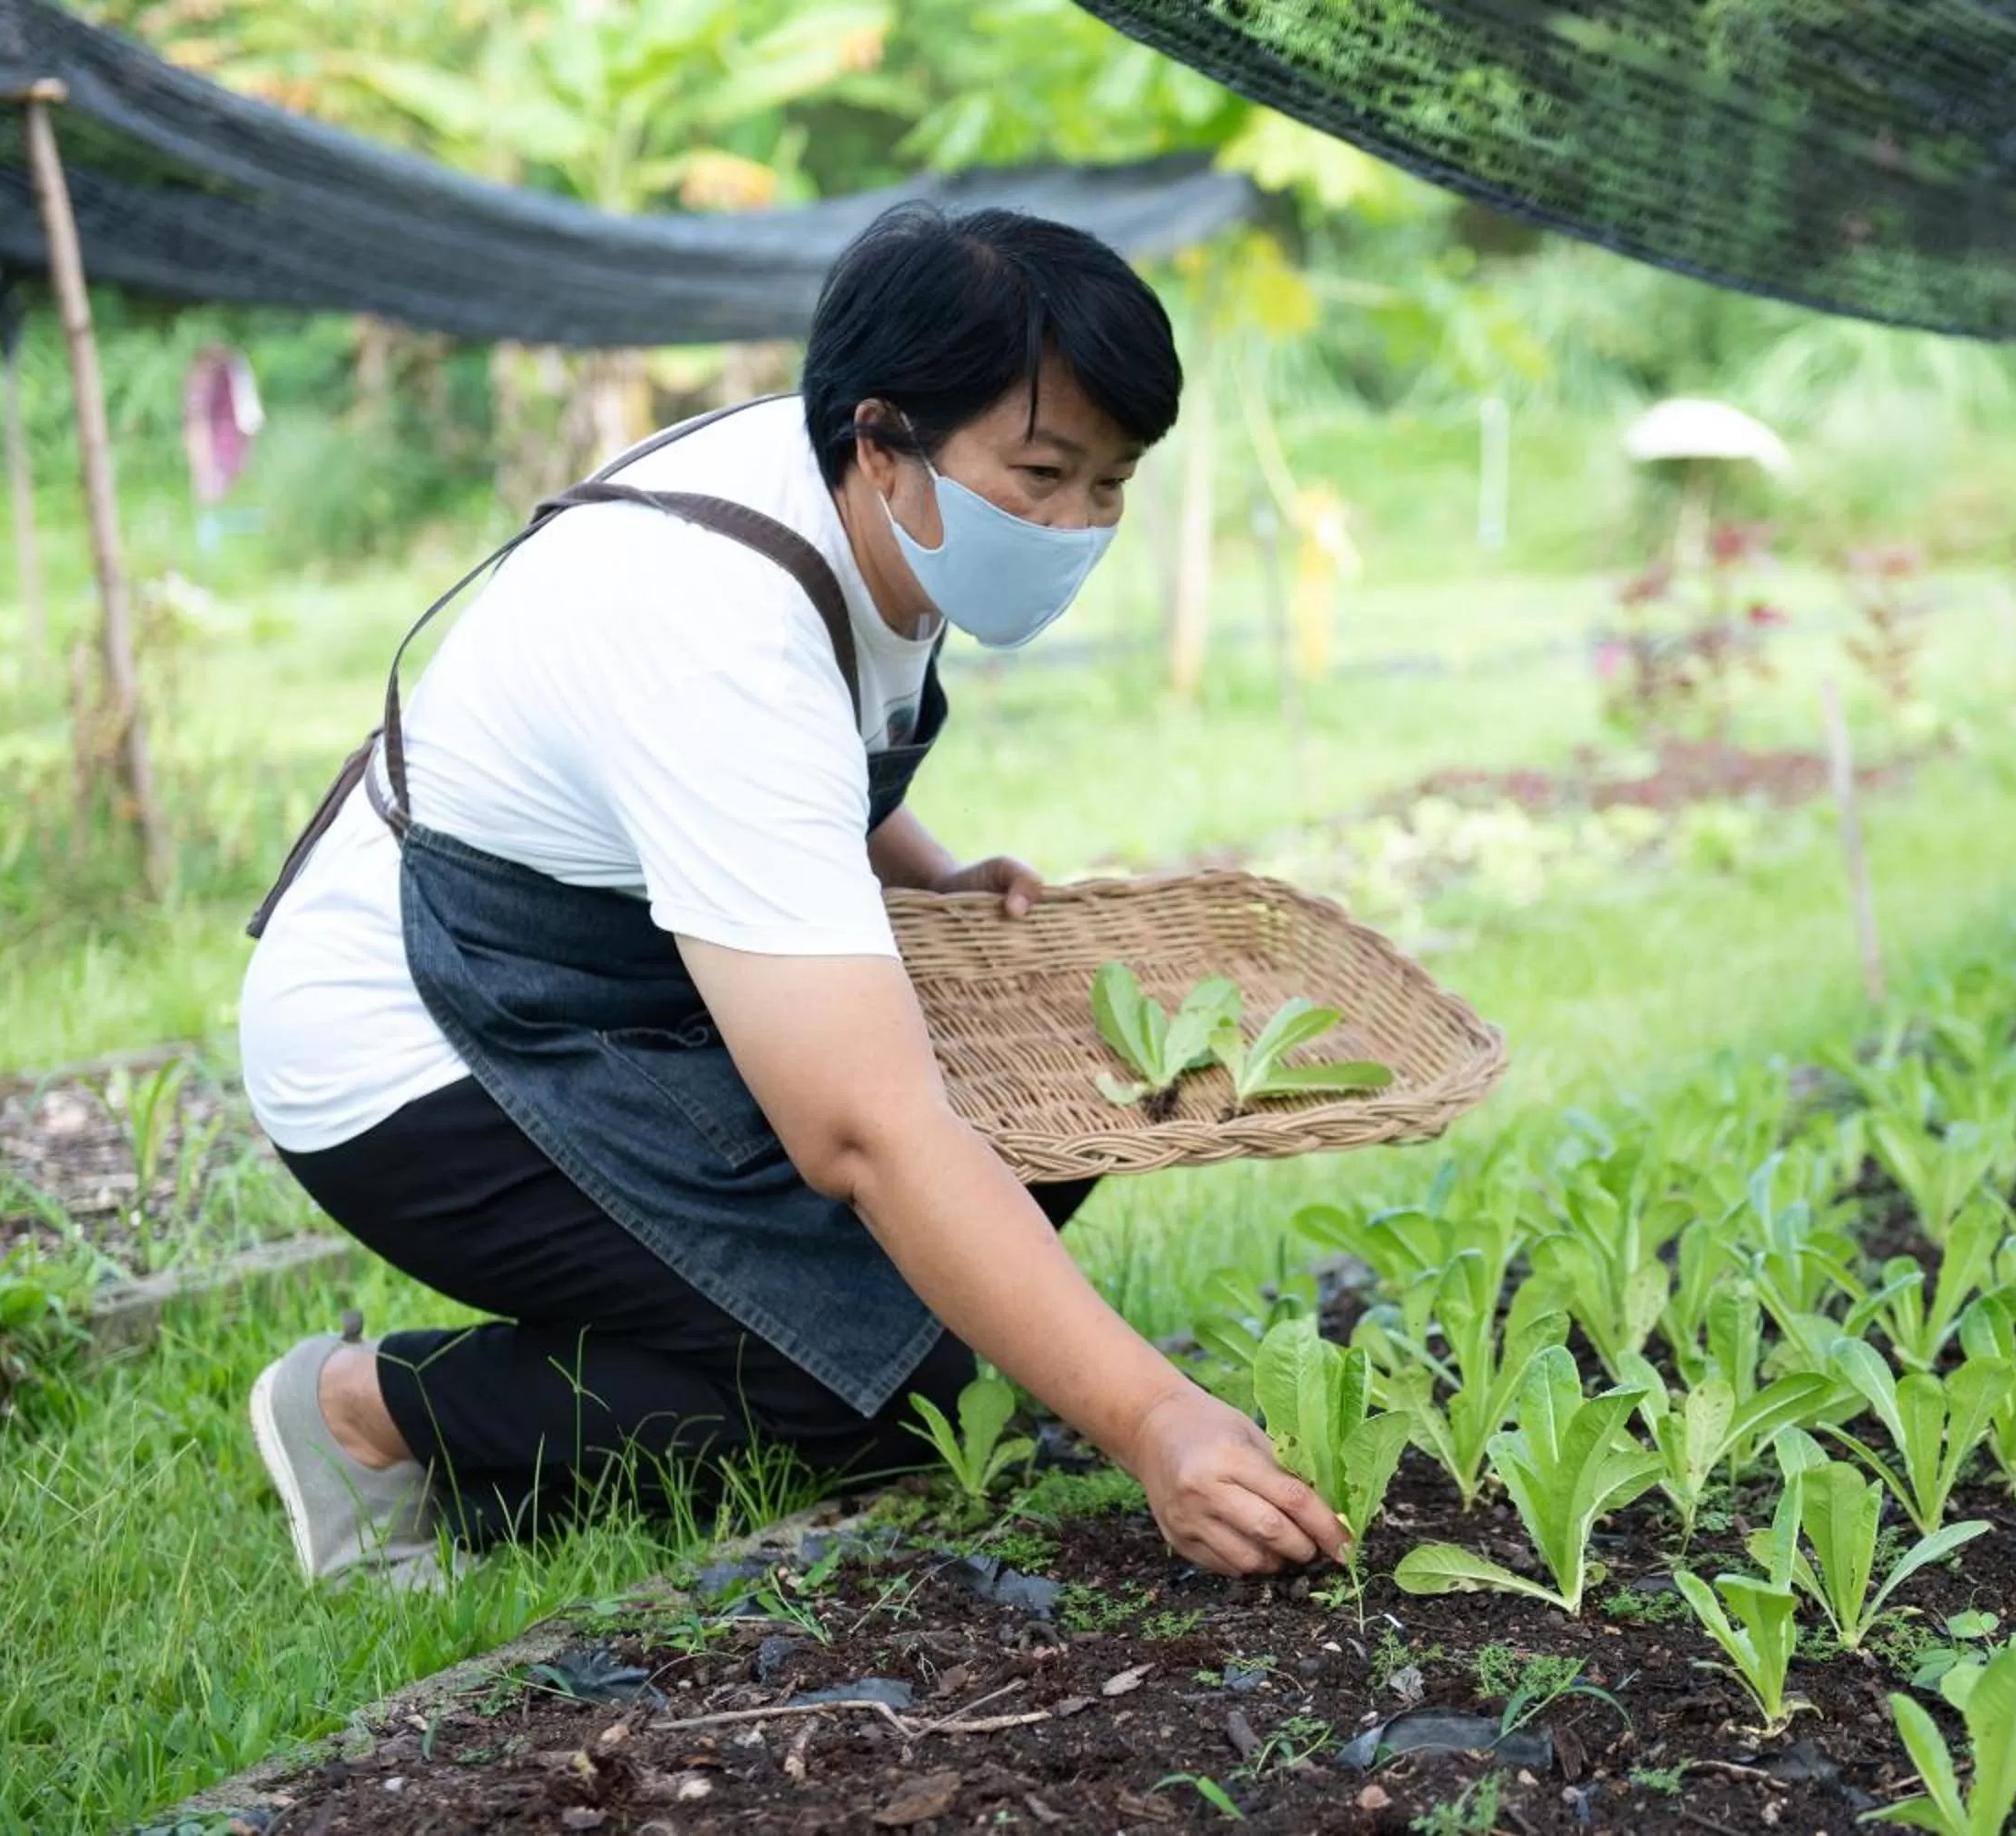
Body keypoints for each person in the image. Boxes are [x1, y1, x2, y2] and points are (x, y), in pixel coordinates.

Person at [236, 203, 1345, 1590]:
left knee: (1035, 1135)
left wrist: (926, 873)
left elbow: (813, 749)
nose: (1074, 526)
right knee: (883, 1388)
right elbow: (864, 1135)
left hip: (617, 978)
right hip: (417, 1043)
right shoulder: (715, 631)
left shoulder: (865, 486)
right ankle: (374, 1411)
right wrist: (1155, 1417)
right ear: (885, 442)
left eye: (1111, 484)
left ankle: (748, 1349)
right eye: (1044, 473)